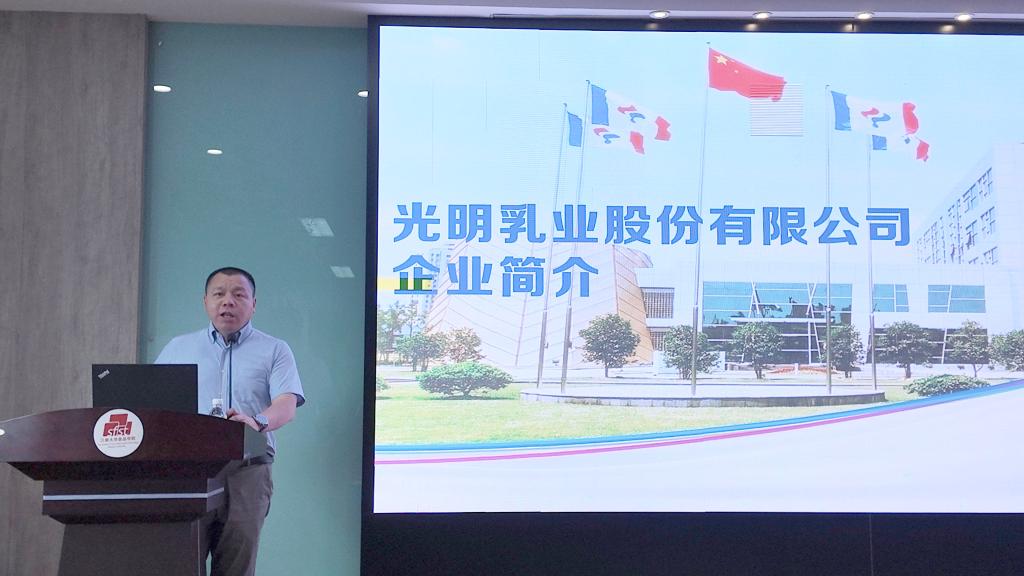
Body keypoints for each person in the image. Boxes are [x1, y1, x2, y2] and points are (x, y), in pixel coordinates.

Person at [156, 266, 305, 576]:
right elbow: (153, 407)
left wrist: (257, 421)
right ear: (205, 302)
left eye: (239, 295)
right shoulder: (177, 348)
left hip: (247, 472)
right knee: (181, 565)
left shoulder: (275, 349)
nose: (228, 301)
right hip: (188, 472)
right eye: (219, 294)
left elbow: (287, 404)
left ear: (253, 304)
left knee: (237, 569)